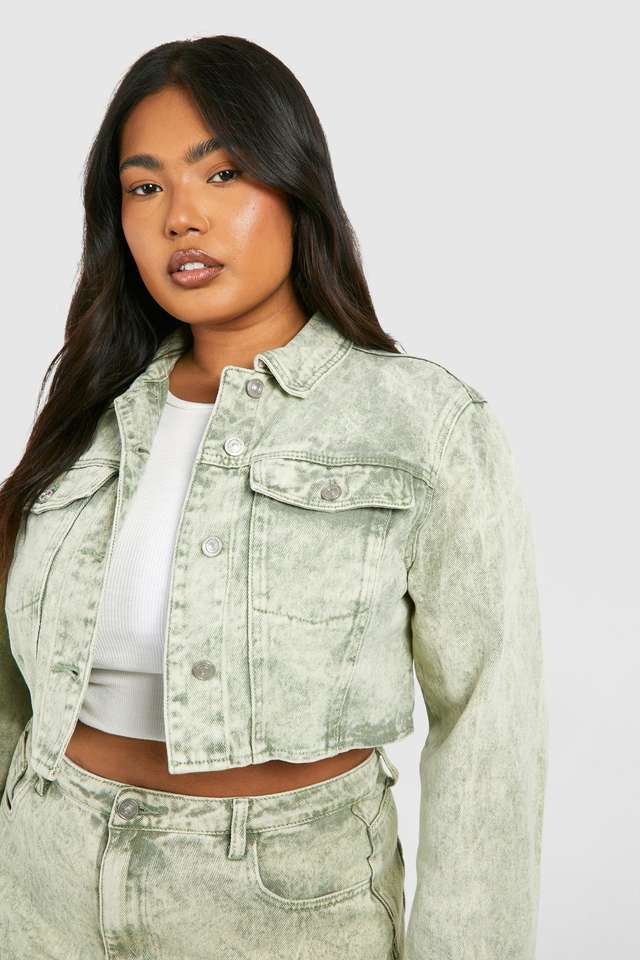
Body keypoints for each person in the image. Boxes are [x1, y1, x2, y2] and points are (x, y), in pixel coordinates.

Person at [0, 34, 548, 960]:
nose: (182, 217)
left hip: (280, 911)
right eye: (145, 187)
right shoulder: (87, 416)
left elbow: (489, 729)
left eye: (222, 174)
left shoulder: (424, 424)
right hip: (42, 885)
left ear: (298, 188)